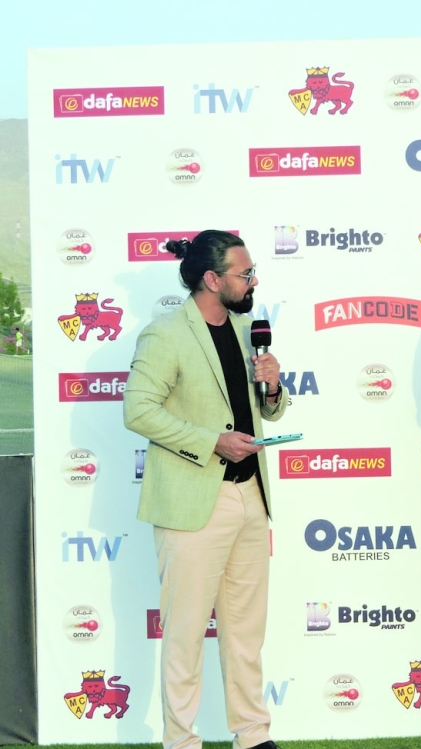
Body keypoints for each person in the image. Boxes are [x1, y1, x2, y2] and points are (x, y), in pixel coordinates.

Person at [124, 230, 289, 749]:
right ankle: (181, 740)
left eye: (253, 270)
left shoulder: (247, 331)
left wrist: (274, 386)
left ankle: (253, 735)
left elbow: (267, 411)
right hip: (194, 500)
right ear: (211, 279)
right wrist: (210, 442)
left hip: (250, 497)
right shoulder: (166, 333)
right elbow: (138, 410)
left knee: (245, 630)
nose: (254, 280)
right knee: (185, 633)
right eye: (245, 273)